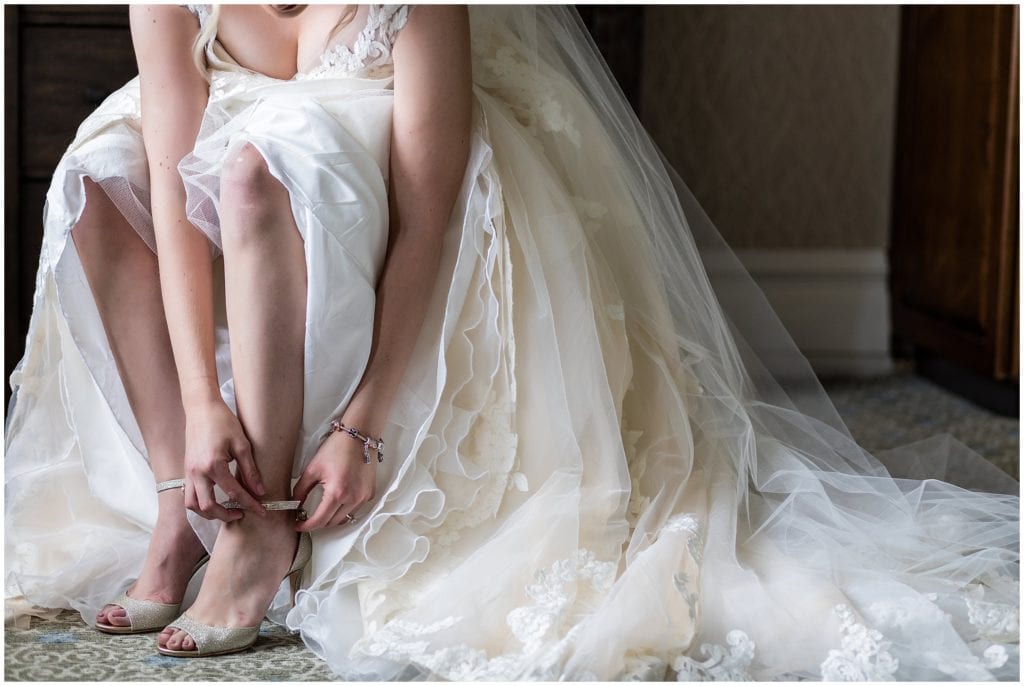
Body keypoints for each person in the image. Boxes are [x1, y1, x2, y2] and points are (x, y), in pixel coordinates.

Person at [5, 3, 1019, 680]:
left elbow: (432, 207)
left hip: (353, 180)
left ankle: (259, 521)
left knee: (260, 166)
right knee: (98, 170)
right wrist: (202, 404)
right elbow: (170, 188)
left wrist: (363, 423)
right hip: (235, 177)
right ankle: (184, 497)